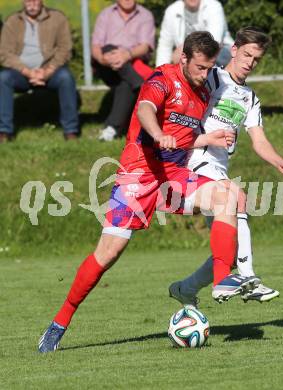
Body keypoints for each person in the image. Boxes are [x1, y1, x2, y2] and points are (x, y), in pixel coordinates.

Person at [38, 31, 259, 353]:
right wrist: (157, 133)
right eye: (199, 67)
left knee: (228, 196)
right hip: (137, 176)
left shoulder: (205, 88)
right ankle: (60, 321)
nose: (204, 75)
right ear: (183, 58)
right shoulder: (162, 79)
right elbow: (144, 110)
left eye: (209, 68)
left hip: (173, 176)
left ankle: (223, 278)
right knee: (108, 254)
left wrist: (207, 140)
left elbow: (184, 135)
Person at [168, 26, 283, 307]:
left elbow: (259, 140)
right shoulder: (213, 78)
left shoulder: (250, 98)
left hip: (218, 166)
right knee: (238, 197)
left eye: (257, 59)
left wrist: (279, 162)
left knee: (230, 247)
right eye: (247, 55)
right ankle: (249, 278)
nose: (250, 63)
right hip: (196, 159)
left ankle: (185, 288)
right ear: (235, 50)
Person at [0, 0, 79, 142]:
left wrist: (48, 71)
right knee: (3, 78)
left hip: (50, 70)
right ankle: (5, 131)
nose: (32, 4)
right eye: (28, 1)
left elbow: (65, 48)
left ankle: (70, 130)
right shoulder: (12, 21)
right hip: (21, 72)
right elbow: (5, 53)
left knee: (66, 78)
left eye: (35, 0)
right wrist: (26, 71)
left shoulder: (57, 18)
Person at [92, 0, 155, 141]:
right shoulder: (106, 14)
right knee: (108, 48)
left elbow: (145, 46)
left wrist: (126, 55)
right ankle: (138, 83)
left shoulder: (145, 15)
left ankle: (111, 128)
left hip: (132, 62)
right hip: (106, 65)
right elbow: (96, 46)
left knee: (125, 84)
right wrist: (103, 59)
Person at [156, 0, 234, 68]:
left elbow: (214, 40)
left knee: (212, 55)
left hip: (220, 51)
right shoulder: (171, 11)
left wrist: (184, 49)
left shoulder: (214, 6)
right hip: (186, 56)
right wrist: (159, 74)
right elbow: (165, 46)